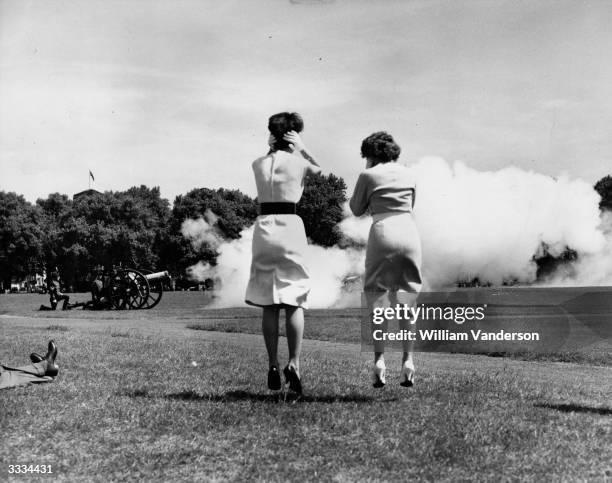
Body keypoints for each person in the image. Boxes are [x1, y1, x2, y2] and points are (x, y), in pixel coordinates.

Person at [245, 112, 321, 395]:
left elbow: (269, 159)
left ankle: (272, 364)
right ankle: (294, 363)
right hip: (290, 227)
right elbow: (321, 171)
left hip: (264, 229)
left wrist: (272, 146)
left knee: (268, 301)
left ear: (272, 135)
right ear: (293, 135)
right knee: (293, 300)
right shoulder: (299, 162)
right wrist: (301, 147)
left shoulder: (258, 163)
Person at [349, 132, 423, 388]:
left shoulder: (368, 175)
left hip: (382, 231)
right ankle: (408, 360)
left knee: (377, 296)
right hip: (409, 233)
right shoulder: (410, 174)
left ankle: (379, 360)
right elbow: (411, 204)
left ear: (370, 154)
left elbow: (356, 209)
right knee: (407, 298)